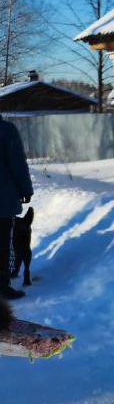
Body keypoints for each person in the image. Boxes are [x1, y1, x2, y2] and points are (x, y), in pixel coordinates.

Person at [0, 114, 32, 301]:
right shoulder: (6, 130)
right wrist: (25, 189)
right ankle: (2, 287)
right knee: (2, 245)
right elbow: (18, 163)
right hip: (2, 202)